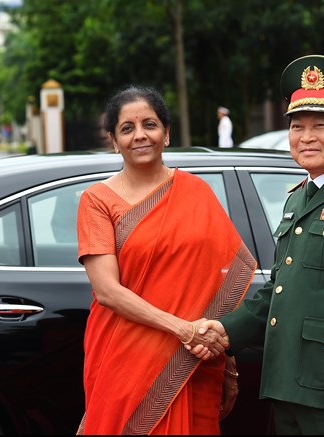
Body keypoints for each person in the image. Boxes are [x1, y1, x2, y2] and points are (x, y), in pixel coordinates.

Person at [189, 55, 324, 435]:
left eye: (320, 126)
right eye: (297, 126)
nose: (306, 137)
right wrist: (227, 331)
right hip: (288, 384)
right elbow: (281, 288)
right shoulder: (298, 198)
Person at [76, 85, 256, 435]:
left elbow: (217, 288)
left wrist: (227, 359)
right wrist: (184, 330)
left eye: (150, 124)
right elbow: (107, 291)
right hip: (126, 358)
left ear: (166, 133)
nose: (140, 135)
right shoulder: (97, 201)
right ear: (114, 141)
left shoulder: (196, 192)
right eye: (127, 128)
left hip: (196, 359)